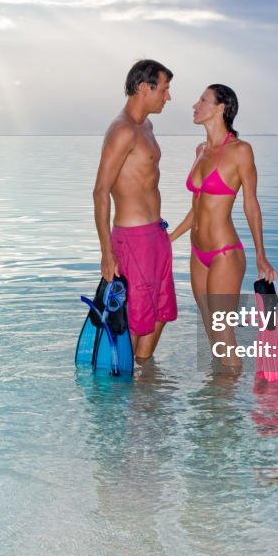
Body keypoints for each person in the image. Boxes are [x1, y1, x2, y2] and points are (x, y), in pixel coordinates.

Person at [169, 84, 277, 371]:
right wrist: (170, 238)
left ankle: (228, 408)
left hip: (224, 254)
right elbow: (198, 207)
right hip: (198, 254)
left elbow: (251, 204)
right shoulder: (201, 150)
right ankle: (218, 401)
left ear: (220, 108)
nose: (194, 105)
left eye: (202, 100)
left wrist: (261, 255)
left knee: (224, 335)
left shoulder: (241, 151)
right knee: (211, 335)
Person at [93, 59, 177, 365]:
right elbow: (100, 191)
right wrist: (106, 253)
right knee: (131, 320)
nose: (168, 97)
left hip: (156, 235)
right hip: (133, 241)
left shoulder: (147, 126)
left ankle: (142, 384)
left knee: (161, 313)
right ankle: (120, 393)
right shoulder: (122, 131)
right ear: (145, 88)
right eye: (164, 90)